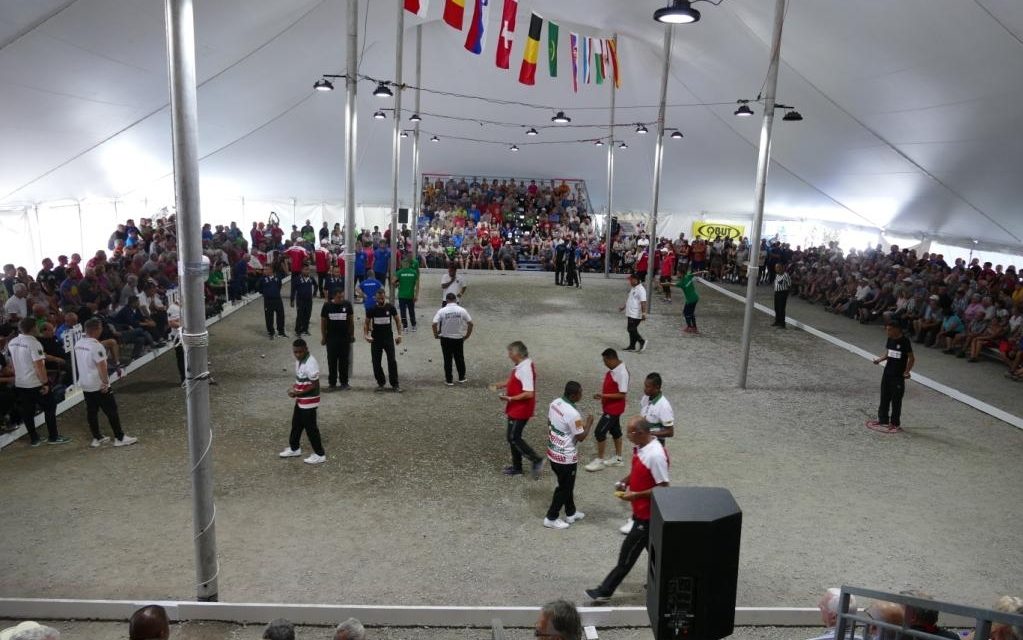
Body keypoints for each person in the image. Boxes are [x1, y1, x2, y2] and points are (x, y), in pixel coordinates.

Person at [585, 417, 670, 603]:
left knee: (627, 556)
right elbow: (639, 471)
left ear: (640, 433)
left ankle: (604, 591)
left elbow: (663, 487)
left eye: (630, 432)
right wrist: (626, 481)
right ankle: (666, 582)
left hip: (647, 517)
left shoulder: (656, 455)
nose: (627, 435)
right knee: (658, 553)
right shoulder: (642, 448)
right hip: (641, 512)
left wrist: (635, 495)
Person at [75, 318, 138, 448]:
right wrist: (105, 383)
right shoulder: (96, 346)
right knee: (111, 410)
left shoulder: (79, 343)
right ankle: (119, 437)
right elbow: (102, 366)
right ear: (97, 329)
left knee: (91, 411)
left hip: (85, 383)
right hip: (97, 384)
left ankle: (97, 437)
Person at [9, 318, 70, 446]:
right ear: (33, 328)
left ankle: (34, 439)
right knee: (50, 406)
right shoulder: (34, 344)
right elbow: (39, 366)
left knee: (28, 410)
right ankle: (53, 436)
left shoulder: (12, 342)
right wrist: (45, 383)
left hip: (20, 382)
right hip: (34, 382)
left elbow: (13, 363)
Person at [544, 381, 594, 530]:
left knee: (567, 485)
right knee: (564, 488)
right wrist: (589, 423)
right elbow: (580, 437)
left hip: (553, 452)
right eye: (580, 393)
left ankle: (570, 513)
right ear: (573, 395)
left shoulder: (555, 403)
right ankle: (551, 518)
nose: (581, 395)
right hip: (566, 458)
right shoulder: (573, 414)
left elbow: (550, 422)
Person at [492, 340, 543, 478]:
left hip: (521, 409)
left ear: (518, 354)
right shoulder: (522, 365)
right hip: (516, 407)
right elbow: (515, 380)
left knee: (513, 437)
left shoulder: (525, 369)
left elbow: (529, 393)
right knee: (512, 437)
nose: (509, 355)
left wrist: (510, 398)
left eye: (510, 352)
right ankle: (517, 467)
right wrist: (500, 385)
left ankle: (535, 460)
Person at [278, 338, 326, 464]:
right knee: (296, 424)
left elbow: (314, 385)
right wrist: (295, 388)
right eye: (295, 352)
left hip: (309, 401)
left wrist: (298, 393)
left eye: (300, 352)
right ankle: (294, 448)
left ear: (306, 349)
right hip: (301, 399)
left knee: (311, 429)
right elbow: (301, 379)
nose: (298, 355)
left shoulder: (310, 363)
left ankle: (320, 454)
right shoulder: (300, 361)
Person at [867, 318, 914, 433]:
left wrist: (906, 371)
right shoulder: (890, 339)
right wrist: (879, 360)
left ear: (897, 329)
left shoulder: (905, 341)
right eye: (887, 330)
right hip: (887, 373)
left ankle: (895, 423)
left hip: (898, 376)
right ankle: (883, 419)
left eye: (890, 330)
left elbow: (911, 358)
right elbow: (888, 354)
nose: (887, 332)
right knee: (884, 397)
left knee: (896, 400)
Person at [585, 348, 628, 472]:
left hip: (613, 409)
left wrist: (603, 396)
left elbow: (622, 394)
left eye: (605, 361)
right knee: (615, 431)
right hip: (610, 407)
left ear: (611, 359)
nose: (604, 364)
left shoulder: (622, 373)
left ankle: (599, 461)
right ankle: (618, 459)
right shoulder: (615, 370)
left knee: (599, 432)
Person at [364, 289, 402, 393]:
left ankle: (395, 384)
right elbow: (366, 323)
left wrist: (399, 335)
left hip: (388, 339)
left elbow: (398, 321)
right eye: (379, 297)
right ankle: (381, 383)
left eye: (382, 297)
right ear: (376, 298)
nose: (381, 299)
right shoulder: (372, 309)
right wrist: (366, 335)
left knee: (392, 361)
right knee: (376, 362)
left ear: (385, 297)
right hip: (376, 339)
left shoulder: (390, 307)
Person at [432, 293, 474, 385]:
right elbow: (471, 323)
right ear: (455, 300)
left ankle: (449, 380)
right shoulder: (462, 310)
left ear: (447, 300)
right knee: (459, 358)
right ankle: (461, 377)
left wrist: (436, 335)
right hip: (458, 338)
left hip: (445, 338)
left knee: (447, 359)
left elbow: (434, 323)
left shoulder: (442, 311)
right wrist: (467, 335)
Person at [320, 287, 354, 391]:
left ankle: (344, 382)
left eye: (342, 297)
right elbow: (323, 323)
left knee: (344, 361)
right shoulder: (327, 306)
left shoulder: (347, 305)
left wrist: (351, 335)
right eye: (339, 297)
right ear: (334, 296)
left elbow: (351, 321)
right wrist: (324, 337)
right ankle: (332, 383)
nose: (341, 299)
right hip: (331, 339)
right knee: (332, 361)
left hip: (344, 338)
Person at [639, 372, 674, 445]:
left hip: (656, 444)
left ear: (657, 387)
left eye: (647, 387)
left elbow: (670, 432)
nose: (644, 389)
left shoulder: (664, 406)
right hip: (643, 441)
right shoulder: (645, 398)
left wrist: (649, 433)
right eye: (645, 386)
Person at [620, 273, 647, 352]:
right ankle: (632, 346)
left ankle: (642, 341)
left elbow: (643, 302)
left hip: (636, 314)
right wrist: (624, 307)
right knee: (631, 329)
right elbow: (630, 299)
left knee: (631, 329)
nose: (629, 282)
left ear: (635, 280)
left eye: (631, 280)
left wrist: (644, 313)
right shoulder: (633, 288)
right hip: (631, 312)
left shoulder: (641, 290)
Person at [259, 266, 286, 339]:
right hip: (268, 301)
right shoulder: (262, 279)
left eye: (266, 269)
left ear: (271, 270)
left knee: (281, 315)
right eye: (264, 269)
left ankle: (281, 332)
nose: (264, 271)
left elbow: (279, 286)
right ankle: (271, 332)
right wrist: (266, 293)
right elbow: (259, 288)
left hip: (278, 299)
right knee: (269, 317)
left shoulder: (277, 278)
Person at [394, 258, 420, 332]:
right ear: (409, 264)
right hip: (410, 295)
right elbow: (417, 285)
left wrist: (397, 283)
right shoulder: (414, 272)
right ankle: (413, 325)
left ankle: (405, 327)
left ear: (402, 264)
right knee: (411, 311)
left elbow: (393, 281)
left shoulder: (399, 272)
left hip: (402, 295)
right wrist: (416, 295)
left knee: (403, 312)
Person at [676, 270, 706, 334]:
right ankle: (694, 327)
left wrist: (664, 284)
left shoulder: (682, 282)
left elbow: (695, 273)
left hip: (691, 300)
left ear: (681, 274)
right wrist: (703, 271)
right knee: (691, 313)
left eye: (678, 273)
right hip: (694, 298)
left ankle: (689, 327)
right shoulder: (687, 277)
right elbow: (696, 273)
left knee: (686, 313)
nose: (677, 274)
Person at [289, 264, 316, 336]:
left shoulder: (311, 278)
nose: (307, 271)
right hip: (300, 301)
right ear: (301, 270)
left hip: (309, 301)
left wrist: (314, 294)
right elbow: (293, 290)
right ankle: (298, 330)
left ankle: (305, 329)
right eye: (305, 269)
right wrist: (292, 300)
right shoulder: (297, 279)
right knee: (300, 315)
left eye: (308, 269)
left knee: (307, 315)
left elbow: (316, 285)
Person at [773, 262, 791, 328]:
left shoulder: (786, 275)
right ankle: (777, 321)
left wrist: (786, 294)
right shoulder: (777, 275)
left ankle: (782, 323)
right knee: (776, 308)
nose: (776, 269)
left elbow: (789, 285)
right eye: (775, 267)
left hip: (783, 293)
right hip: (777, 293)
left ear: (781, 268)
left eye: (777, 267)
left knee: (781, 309)